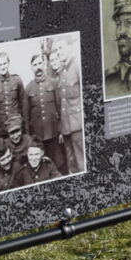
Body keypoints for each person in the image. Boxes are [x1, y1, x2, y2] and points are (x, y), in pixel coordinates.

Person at [22, 51, 63, 173]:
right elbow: (26, 114)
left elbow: (59, 107)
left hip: (53, 131)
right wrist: (29, 136)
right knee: (40, 165)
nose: (38, 67)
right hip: (37, 135)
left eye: (40, 63)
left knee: (56, 162)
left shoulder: (53, 83)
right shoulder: (28, 88)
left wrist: (60, 131)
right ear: (31, 68)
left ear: (44, 64)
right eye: (35, 64)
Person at [51, 40, 85, 173]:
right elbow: (61, 105)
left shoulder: (77, 66)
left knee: (82, 162)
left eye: (61, 48)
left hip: (78, 125)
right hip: (66, 128)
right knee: (71, 163)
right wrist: (61, 129)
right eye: (57, 49)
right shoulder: (62, 72)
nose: (59, 52)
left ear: (69, 48)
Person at [0, 51, 25, 145]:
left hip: (16, 126)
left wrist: (23, 125)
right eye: (0, 64)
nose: (2, 67)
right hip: (0, 128)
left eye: (4, 63)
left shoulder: (17, 80)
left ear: (8, 63)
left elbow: (23, 104)